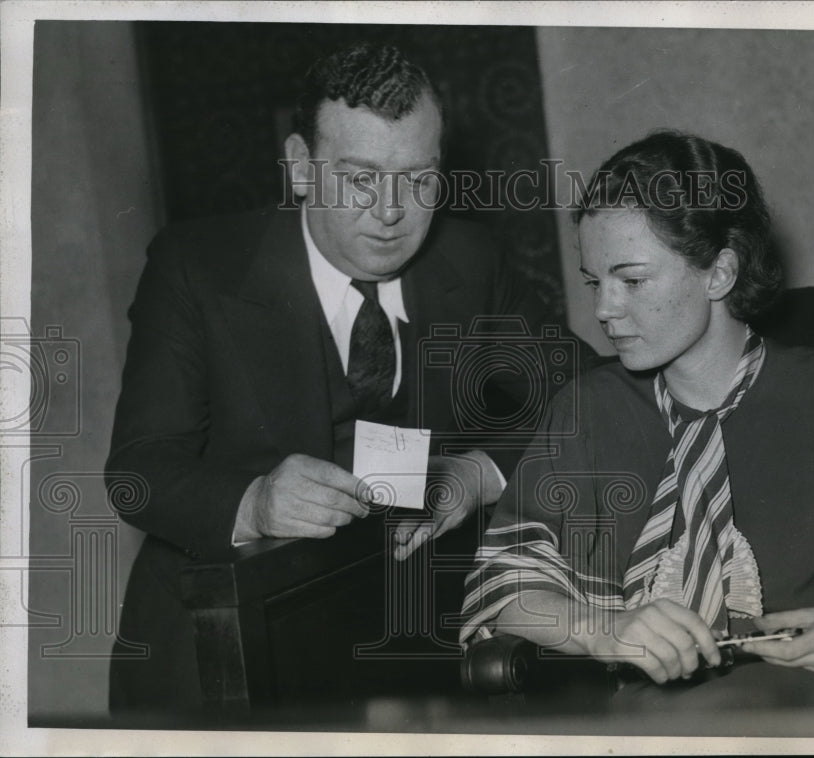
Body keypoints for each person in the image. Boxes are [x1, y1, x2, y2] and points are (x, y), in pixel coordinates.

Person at [106, 43, 579, 711]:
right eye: (360, 179)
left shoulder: (469, 261)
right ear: (301, 167)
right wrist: (256, 501)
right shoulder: (197, 268)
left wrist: (479, 473)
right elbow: (139, 470)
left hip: (400, 641)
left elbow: (587, 395)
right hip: (216, 651)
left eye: (418, 179)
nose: (391, 212)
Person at [460, 129, 814, 705]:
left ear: (719, 273)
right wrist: (605, 631)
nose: (604, 311)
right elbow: (505, 585)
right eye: (596, 282)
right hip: (647, 732)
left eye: (633, 280)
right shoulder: (589, 412)